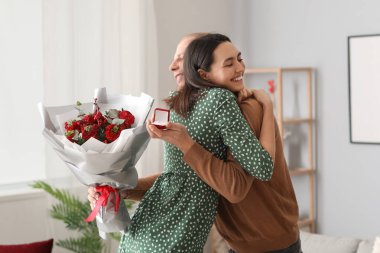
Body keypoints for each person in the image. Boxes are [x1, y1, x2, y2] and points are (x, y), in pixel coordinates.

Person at [89, 33, 300, 252]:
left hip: (271, 243)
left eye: (182, 58)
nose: (173, 66)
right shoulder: (190, 109)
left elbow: (235, 186)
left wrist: (266, 104)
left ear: (200, 67)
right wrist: (121, 188)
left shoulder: (243, 108)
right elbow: (181, 179)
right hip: (236, 243)